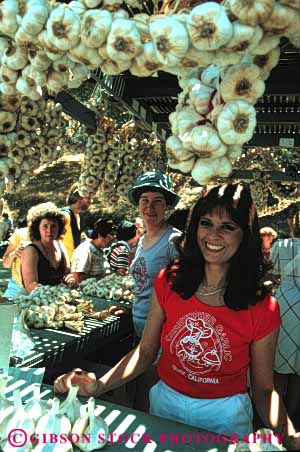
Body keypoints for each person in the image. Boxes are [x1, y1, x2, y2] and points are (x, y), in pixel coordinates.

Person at [54, 183, 300, 449]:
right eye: (206, 223)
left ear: (245, 237)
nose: (214, 235)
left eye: (227, 227)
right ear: (195, 229)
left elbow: (264, 390)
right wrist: (99, 385)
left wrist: (289, 435)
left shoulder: (263, 306)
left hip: (224, 417)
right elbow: (146, 351)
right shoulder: (170, 281)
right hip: (165, 405)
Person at [128, 171, 181, 340]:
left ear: (166, 205)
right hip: (138, 325)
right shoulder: (142, 239)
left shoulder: (174, 241)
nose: (150, 207)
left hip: (162, 330)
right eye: (145, 200)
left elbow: (183, 291)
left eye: (157, 201)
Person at [271, 217, 300, 431]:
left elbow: (270, 275)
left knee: (278, 367)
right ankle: (293, 417)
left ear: (292, 224)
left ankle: (276, 421)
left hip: (284, 304)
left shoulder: (281, 245)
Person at [3, 202, 56, 298]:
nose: (48, 229)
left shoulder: (51, 236)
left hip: (41, 289)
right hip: (18, 287)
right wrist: (15, 253)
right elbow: (5, 264)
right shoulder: (20, 234)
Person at [21, 204, 76, 292]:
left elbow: (66, 273)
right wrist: (55, 292)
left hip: (59, 299)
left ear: (59, 228)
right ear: (37, 228)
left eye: (53, 226)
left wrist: (70, 280)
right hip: (34, 300)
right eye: (45, 226)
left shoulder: (60, 245)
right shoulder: (31, 251)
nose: (49, 230)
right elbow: (30, 285)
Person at [71, 218, 115, 285]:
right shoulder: (85, 250)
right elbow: (77, 277)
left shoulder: (99, 249)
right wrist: (104, 278)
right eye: (110, 237)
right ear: (100, 235)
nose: (112, 240)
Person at [61, 183, 93, 262]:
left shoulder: (78, 216)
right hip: (64, 266)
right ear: (78, 197)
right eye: (88, 197)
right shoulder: (65, 215)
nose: (91, 201)